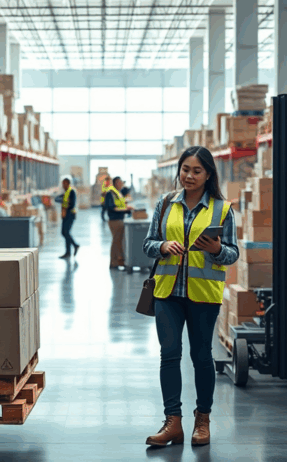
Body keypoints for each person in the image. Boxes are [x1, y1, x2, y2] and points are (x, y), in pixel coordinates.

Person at [142, 146, 238, 447]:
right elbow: (148, 243)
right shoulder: (166, 203)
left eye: (197, 171)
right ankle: (172, 422)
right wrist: (162, 246)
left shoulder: (222, 208)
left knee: (201, 356)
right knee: (169, 354)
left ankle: (203, 420)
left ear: (208, 174)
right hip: (167, 292)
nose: (189, 176)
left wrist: (216, 250)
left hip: (203, 295)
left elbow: (233, 253)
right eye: (185, 169)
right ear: (179, 170)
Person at [104, 176, 133, 269]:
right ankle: (113, 263)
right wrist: (125, 209)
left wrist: (127, 209)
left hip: (120, 219)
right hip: (115, 220)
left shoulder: (118, 193)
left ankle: (119, 261)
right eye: (120, 182)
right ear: (116, 183)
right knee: (116, 242)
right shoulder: (110, 193)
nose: (122, 184)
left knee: (119, 242)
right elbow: (112, 208)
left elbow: (120, 203)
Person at [59, 177, 80, 259]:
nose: (63, 185)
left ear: (68, 183)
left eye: (64, 183)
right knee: (64, 232)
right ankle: (74, 246)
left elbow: (72, 204)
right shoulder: (66, 192)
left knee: (66, 232)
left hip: (70, 214)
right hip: (65, 214)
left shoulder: (71, 191)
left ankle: (69, 251)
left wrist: (65, 210)